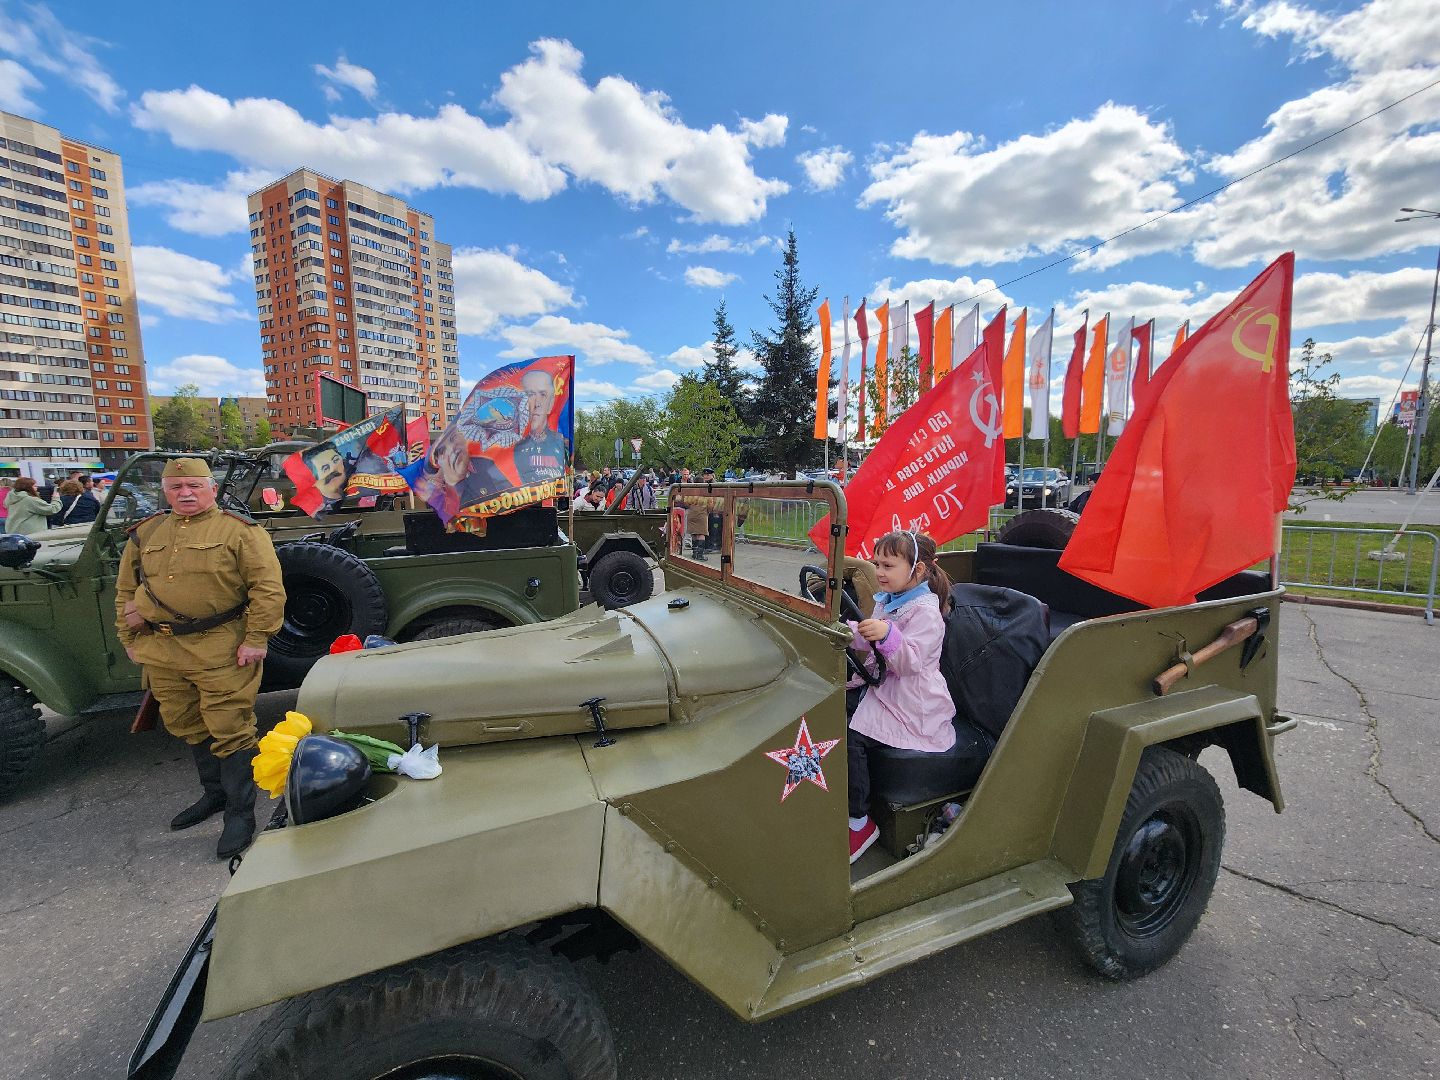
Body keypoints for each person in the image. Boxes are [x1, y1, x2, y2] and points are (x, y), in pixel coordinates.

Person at [114, 458, 287, 860]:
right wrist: (129, 637)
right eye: (176, 487)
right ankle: (215, 796)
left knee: (230, 726)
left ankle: (240, 814)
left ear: (211, 488)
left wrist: (257, 638)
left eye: (194, 485)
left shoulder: (239, 531)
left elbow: (268, 588)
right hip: (161, 649)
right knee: (185, 723)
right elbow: (126, 589)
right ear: (165, 491)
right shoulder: (146, 532)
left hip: (221, 645)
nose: (185, 493)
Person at [845, 530, 955, 863]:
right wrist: (848, 632)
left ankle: (859, 821)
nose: (878, 572)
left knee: (852, 734)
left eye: (888, 565)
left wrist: (887, 633)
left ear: (917, 571)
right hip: (883, 687)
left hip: (912, 701)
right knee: (828, 704)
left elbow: (909, 662)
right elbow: (871, 642)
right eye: (877, 563)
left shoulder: (926, 613)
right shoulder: (888, 600)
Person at [411, 424, 511, 519]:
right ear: (438, 463)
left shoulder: (487, 464)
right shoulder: (437, 492)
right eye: (442, 452)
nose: (452, 449)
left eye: (453, 438)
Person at [514, 369, 569, 485]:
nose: (537, 403)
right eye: (530, 394)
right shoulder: (510, 447)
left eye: (543, 394)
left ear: (551, 403)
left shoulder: (562, 444)